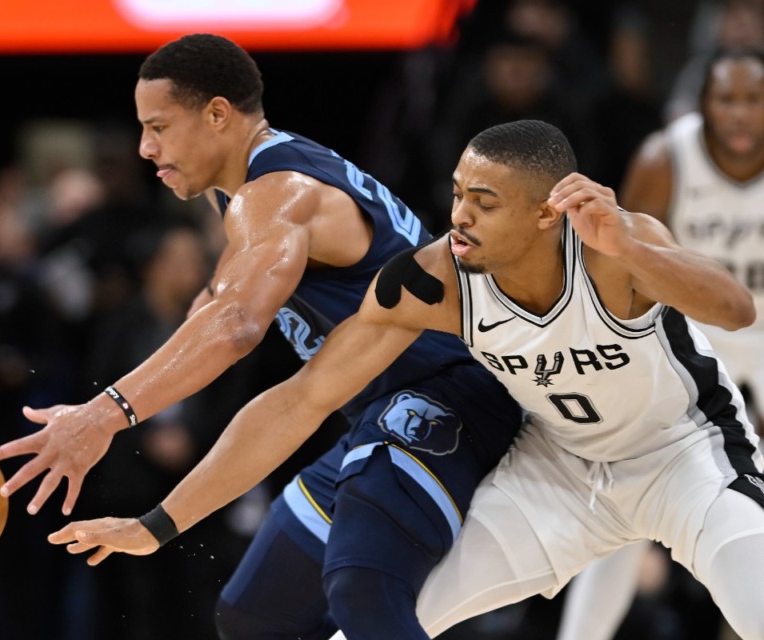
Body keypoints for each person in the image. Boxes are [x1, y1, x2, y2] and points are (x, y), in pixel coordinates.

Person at [47, 119, 764, 640]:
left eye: (485, 200)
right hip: (559, 469)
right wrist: (159, 523)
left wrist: (631, 245)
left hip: (682, 458)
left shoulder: (609, 249)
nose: (459, 215)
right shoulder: (432, 282)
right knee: (369, 625)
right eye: (457, 193)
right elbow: (304, 399)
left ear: (547, 212)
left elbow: (736, 308)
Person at [0, 34, 522, 640]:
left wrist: (101, 416)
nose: (145, 147)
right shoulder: (244, 189)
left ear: (218, 114)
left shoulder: (276, 193)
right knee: (255, 615)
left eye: (158, 126)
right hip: (375, 409)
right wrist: (156, 525)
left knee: (363, 590)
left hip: (454, 394)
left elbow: (237, 326)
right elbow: (224, 311)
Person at [555, 47, 764, 640]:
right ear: (704, 105)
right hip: (689, 339)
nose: (741, 114)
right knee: (631, 494)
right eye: (728, 98)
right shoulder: (665, 159)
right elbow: (617, 267)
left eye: (754, 99)